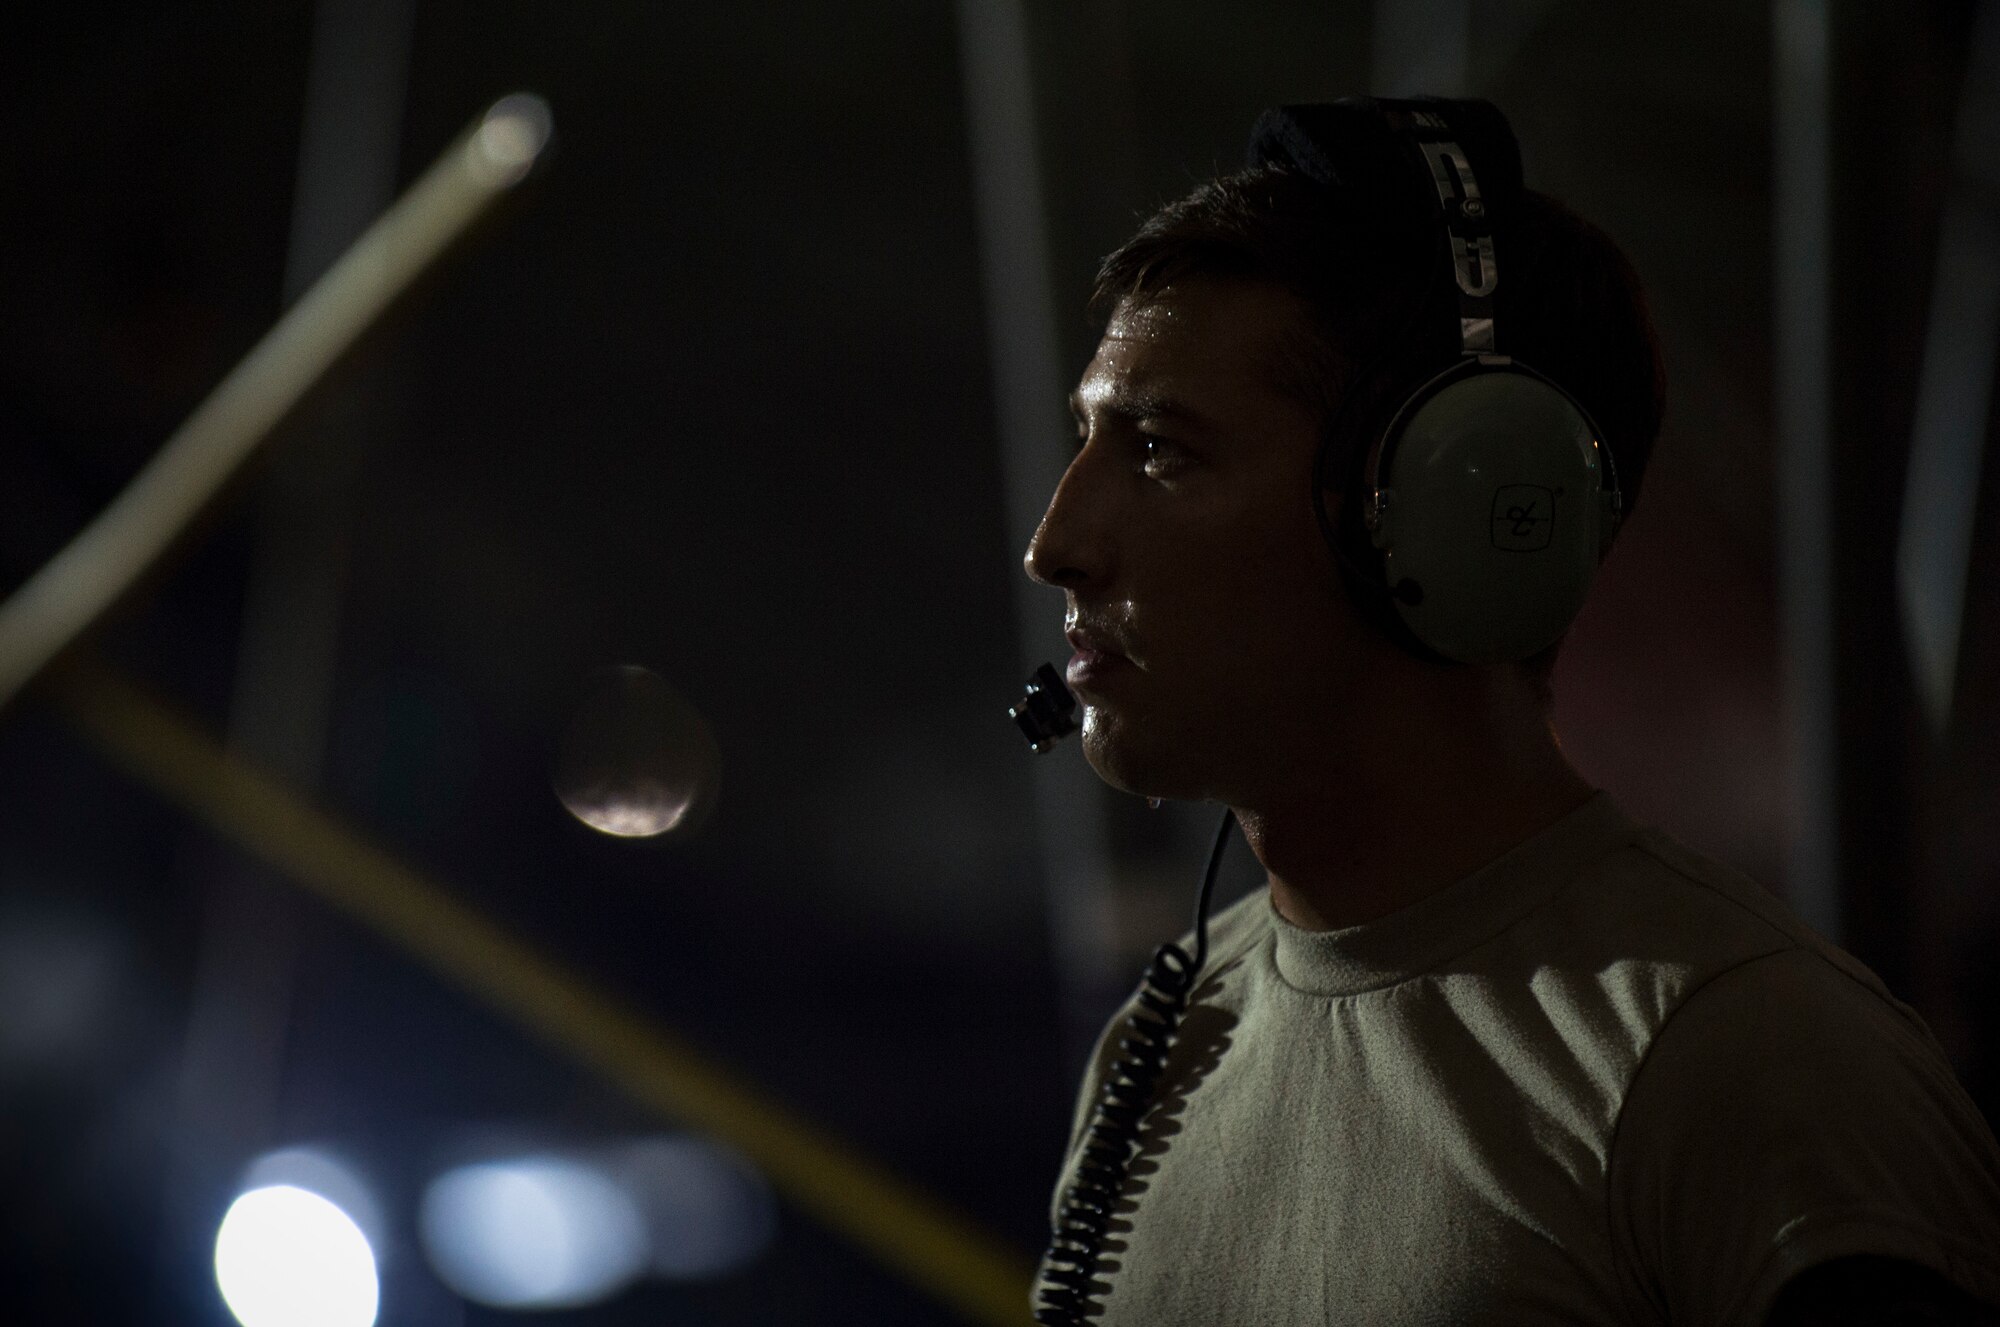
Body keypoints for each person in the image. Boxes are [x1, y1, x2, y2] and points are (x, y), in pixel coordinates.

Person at [1020, 96, 2000, 1325]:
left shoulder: (1747, 1064)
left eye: (1160, 450)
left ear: (1446, 507)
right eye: (1085, 443)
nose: (1054, 545)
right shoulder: (1156, 1053)